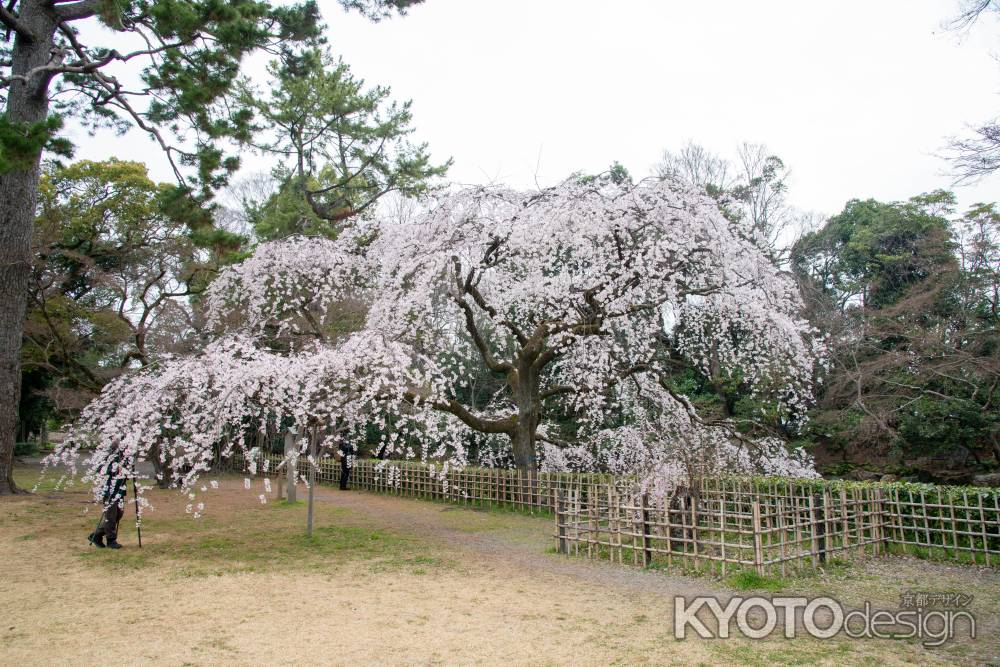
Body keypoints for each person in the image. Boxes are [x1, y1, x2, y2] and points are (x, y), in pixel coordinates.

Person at [88, 454, 127, 549]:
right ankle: (111, 540)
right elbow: (100, 469)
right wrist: (114, 469)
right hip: (109, 490)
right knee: (111, 516)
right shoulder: (108, 454)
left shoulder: (125, 455)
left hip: (120, 489)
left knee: (119, 514)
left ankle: (96, 535)